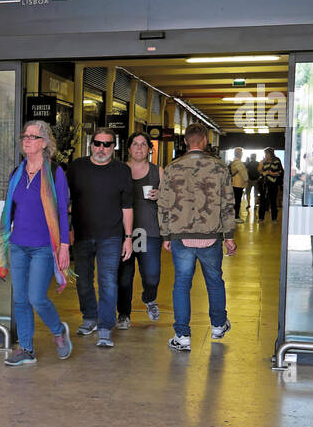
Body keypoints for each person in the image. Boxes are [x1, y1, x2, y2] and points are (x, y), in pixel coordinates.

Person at [0, 119, 73, 366]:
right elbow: (11, 211)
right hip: (18, 244)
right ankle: (26, 349)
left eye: (33, 136)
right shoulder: (16, 173)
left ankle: (58, 331)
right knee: (20, 299)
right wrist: (2, 243)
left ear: (45, 143)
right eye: (25, 136)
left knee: (36, 297)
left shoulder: (56, 172)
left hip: (43, 247)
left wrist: (64, 247)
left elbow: (62, 210)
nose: (27, 140)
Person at [157, 123, 236, 351]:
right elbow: (228, 204)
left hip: (181, 237)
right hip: (211, 236)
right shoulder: (219, 168)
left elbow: (163, 204)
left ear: (185, 142)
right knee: (214, 282)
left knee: (182, 284)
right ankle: (219, 325)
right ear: (204, 141)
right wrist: (228, 235)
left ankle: (182, 336)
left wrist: (166, 234)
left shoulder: (172, 168)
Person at [65, 128, 134, 348]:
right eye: (97, 143)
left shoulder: (122, 170)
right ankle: (89, 318)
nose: (101, 149)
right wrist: (68, 231)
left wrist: (129, 237)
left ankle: (105, 326)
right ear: (90, 144)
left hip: (111, 236)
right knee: (83, 280)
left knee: (107, 282)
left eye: (107, 144)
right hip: (82, 234)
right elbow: (66, 203)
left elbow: (127, 207)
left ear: (114, 147)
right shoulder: (77, 167)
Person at [117, 131, 163, 326]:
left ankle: (149, 298)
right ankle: (124, 314)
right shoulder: (118, 171)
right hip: (123, 232)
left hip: (149, 231)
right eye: (135, 144)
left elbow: (172, 198)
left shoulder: (158, 171)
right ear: (128, 148)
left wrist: (161, 195)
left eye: (143, 144)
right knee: (124, 277)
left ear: (149, 149)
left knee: (152, 275)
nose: (139, 147)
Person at [257, 147, 285, 221]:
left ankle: (274, 218)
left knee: (273, 201)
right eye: (265, 154)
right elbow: (259, 170)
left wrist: (272, 173)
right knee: (262, 200)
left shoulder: (277, 160)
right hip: (264, 183)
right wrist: (261, 163)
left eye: (267, 154)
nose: (266, 155)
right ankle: (261, 218)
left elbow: (280, 172)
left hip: (273, 183)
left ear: (270, 153)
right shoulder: (264, 161)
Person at [228, 148, 249, 220]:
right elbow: (244, 174)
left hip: (234, 183)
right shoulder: (239, 163)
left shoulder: (233, 162)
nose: (242, 154)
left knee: (234, 200)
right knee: (237, 200)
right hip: (239, 184)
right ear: (239, 154)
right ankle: (236, 216)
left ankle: (233, 215)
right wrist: (246, 180)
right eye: (241, 153)